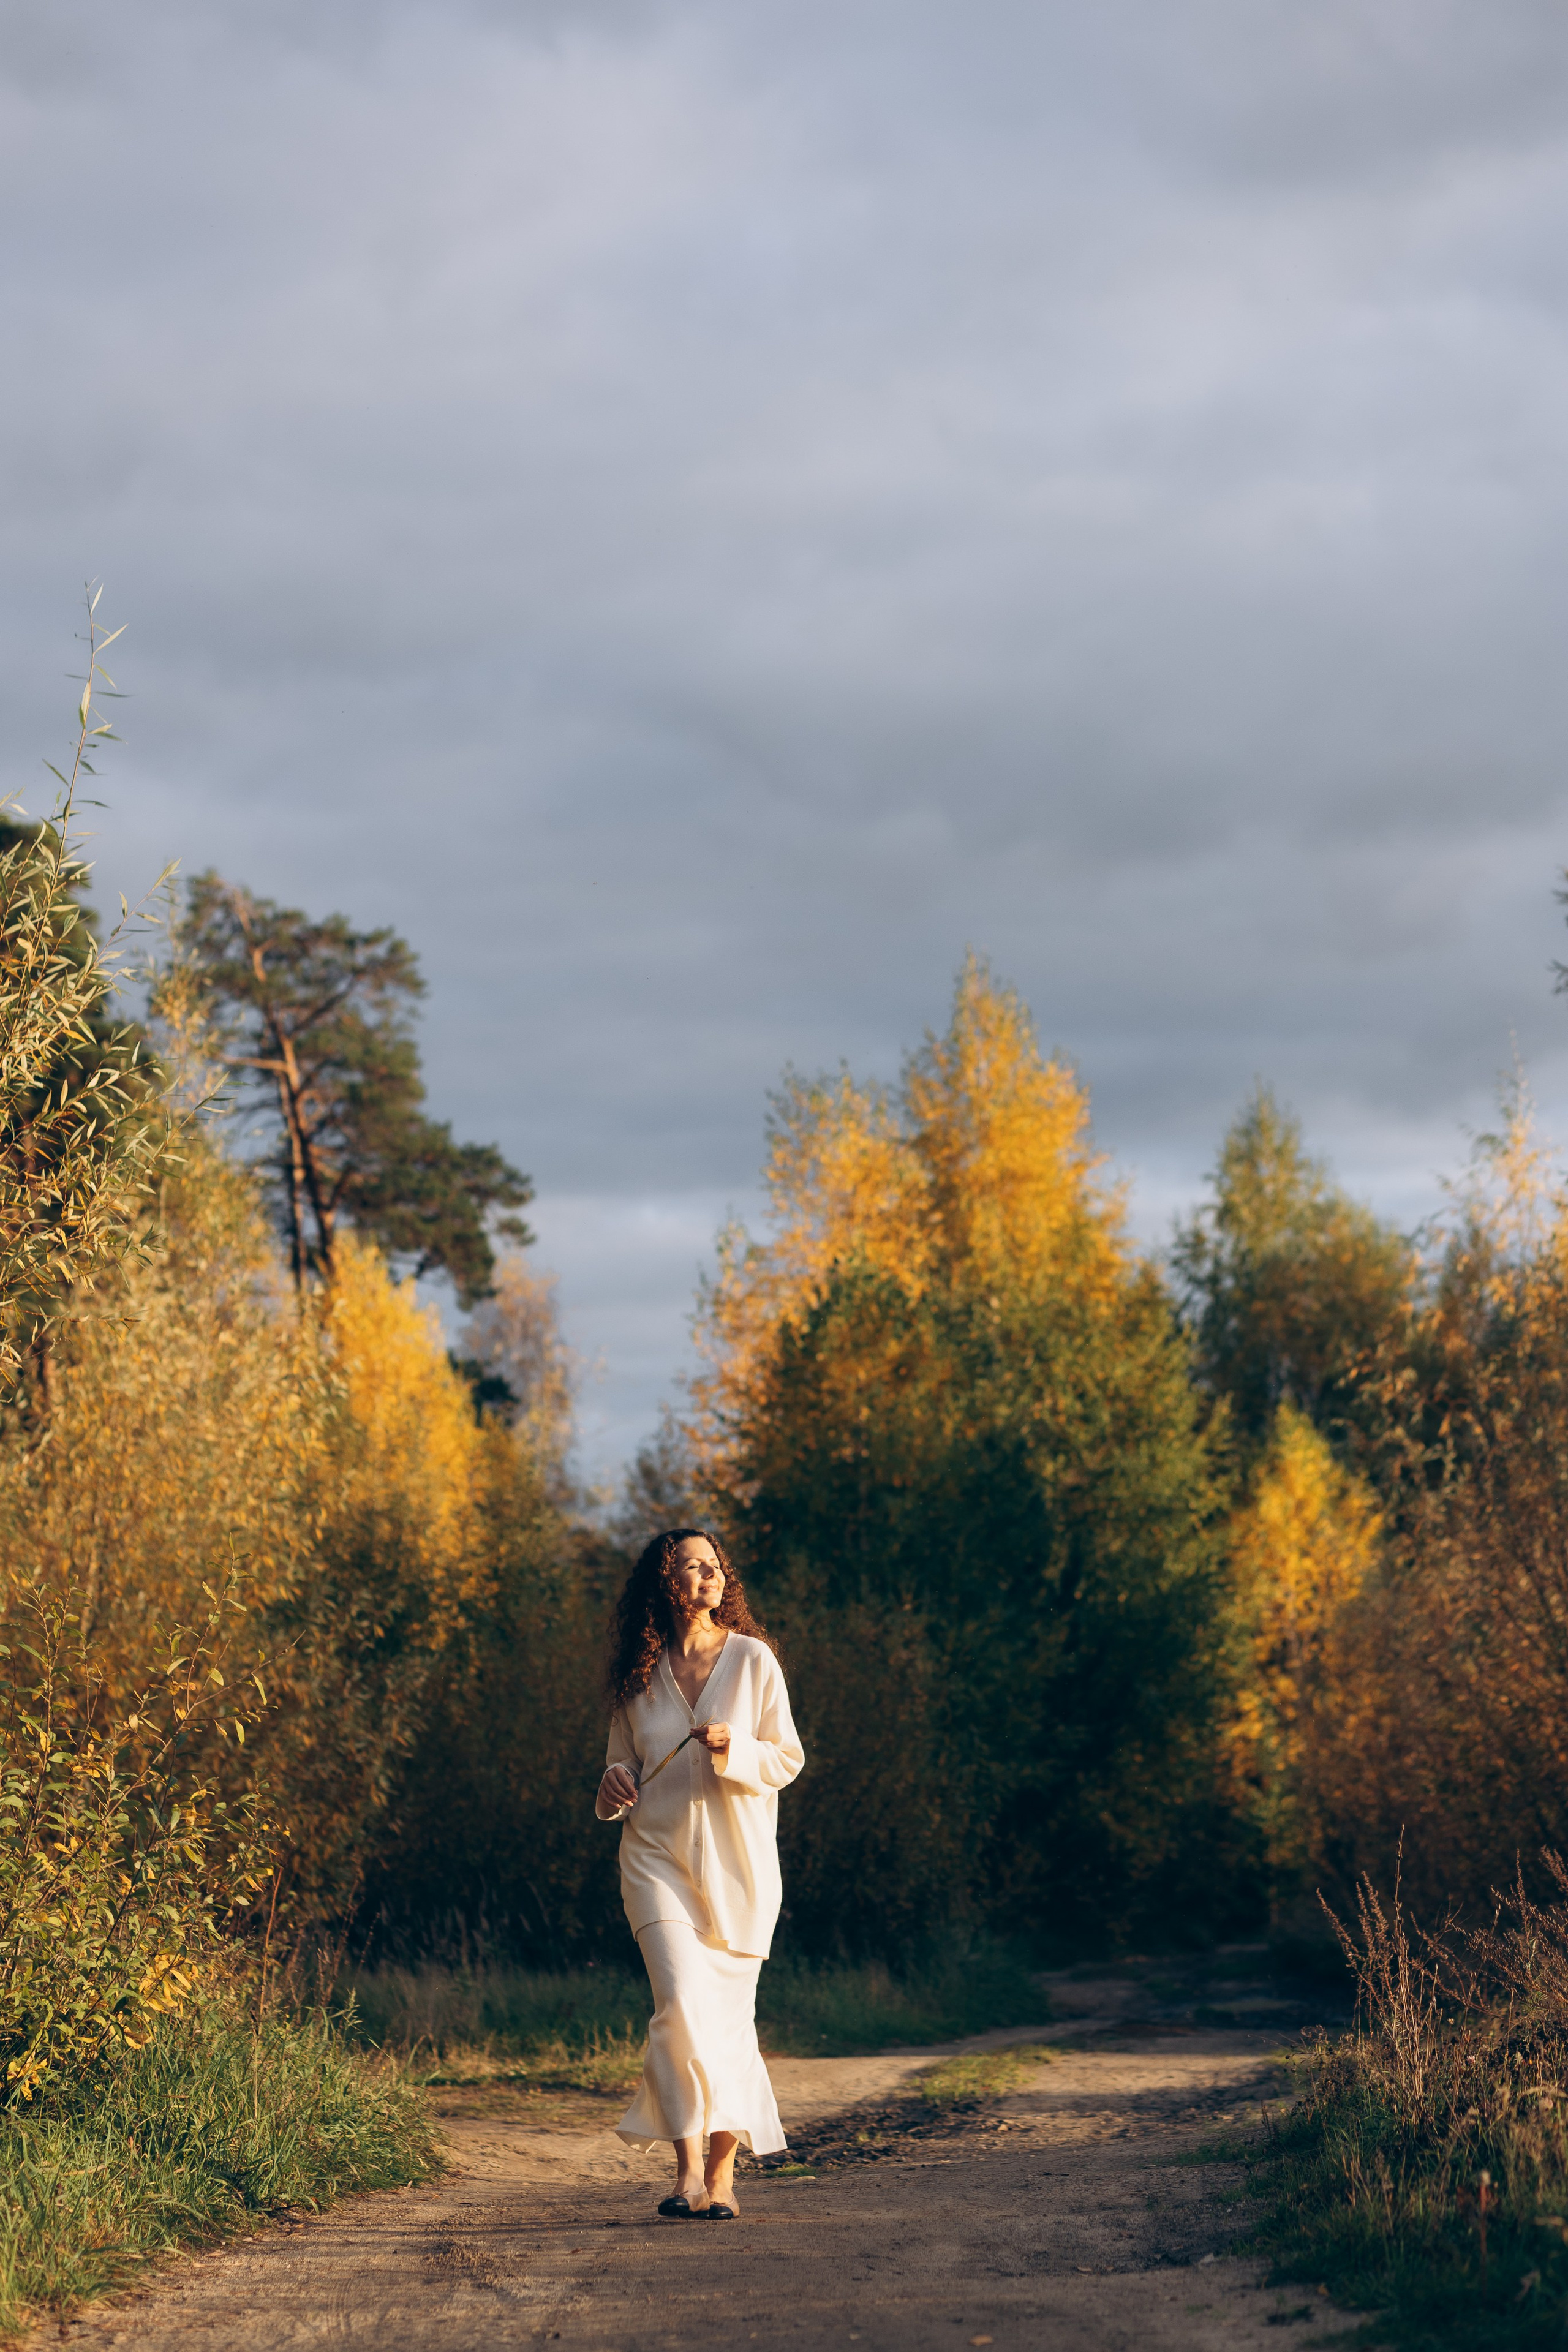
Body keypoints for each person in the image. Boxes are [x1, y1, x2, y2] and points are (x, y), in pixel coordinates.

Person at [596, 1526, 804, 2217]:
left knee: (726, 2024)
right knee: (680, 2007)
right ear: (664, 1582)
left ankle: (721, 2178)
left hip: (740, 1874)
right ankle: (684, 2174)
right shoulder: (638, 1674)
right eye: (689, 1567)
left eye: (713, 1567)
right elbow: (615, 1768)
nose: (705, 1577)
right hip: (655, 1861)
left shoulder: (753, 1661)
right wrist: (615, 1780)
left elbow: (786, 1761)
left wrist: (734, 1746)